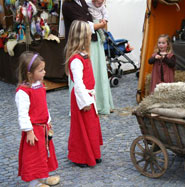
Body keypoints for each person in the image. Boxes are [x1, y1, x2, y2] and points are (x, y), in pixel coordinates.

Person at [15, 51, 60, 187]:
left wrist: (48, 120)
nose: (44, 72)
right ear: (29, 74)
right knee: (34, 156)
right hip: (34, 130)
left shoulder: (39, 85)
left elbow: (43, 106)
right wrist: (29, 131)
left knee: (44, 154)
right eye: (40, 70)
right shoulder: (23, 92)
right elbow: (23, 114)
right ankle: (34, 182)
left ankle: (44, 176)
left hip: (43, 128)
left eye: (43, 69)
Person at [62, 0, 114, 115]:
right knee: (80, 75)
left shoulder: (82, 1)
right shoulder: (67, 5)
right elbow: (83, 24)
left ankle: (100, 103)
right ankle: (82, 105)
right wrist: (100, 25)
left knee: (96, 72)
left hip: (92, 40)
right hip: (78, 43)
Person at [65, 20, 103, 167]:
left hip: (88, 96)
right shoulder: (76, 60)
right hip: (82, 98)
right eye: (88, 35)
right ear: (83, 37)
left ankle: (93, 153)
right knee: (81, 129)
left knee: (91, 126)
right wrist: (85, 102)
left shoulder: (84, 55)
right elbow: (79, 84)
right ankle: (80, 156)